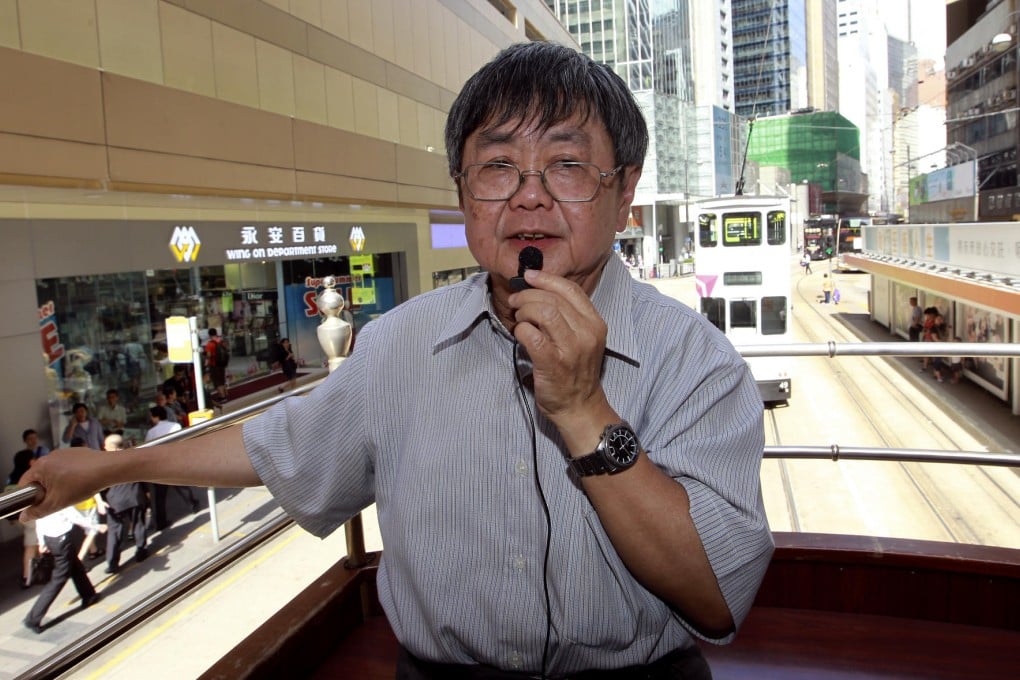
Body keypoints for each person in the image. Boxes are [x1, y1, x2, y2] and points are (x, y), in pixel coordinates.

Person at [21, 42, 772, 677]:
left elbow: (714, 596)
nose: (528, 199)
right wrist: (111, 468)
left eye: (568, 166)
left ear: (624, 191)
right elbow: (278, 442)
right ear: (463, 193)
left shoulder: (695, 361)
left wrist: (583, 408)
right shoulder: (398, 344)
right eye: (498, 167)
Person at [23, 503, 105, 634]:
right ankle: (33, 618)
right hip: (62, 540)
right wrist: (96, 526)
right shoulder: (60, 501)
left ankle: (89, 595)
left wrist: (42, 542)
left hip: (51, 539)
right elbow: (76, 517)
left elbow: (39, 522)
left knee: (76, 567)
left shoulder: (42, 502)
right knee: (58, 579)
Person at [144, 406, 198, 529]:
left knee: (159, 496)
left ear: (156, 417)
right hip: (174, 461)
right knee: (181, 485)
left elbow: (147, 449)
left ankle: (161, 521)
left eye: (151, 416)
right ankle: (193, 504)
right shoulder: (175, 426)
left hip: (159, 465)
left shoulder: (152, 432)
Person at [102, 434, 148, 573]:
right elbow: (143, 476)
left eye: (106, 446)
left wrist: (100, 501)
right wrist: (146, 492)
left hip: (115, 502)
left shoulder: (104, 463)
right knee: (138, 524)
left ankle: (112, 562)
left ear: (112, 448)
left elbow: (100, 485)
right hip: (135, 496)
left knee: (115, 532)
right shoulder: (132, 458)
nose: (103, 448)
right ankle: (141, 551)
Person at [6, 449, 39, 589]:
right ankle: (27, 577)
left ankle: (37, 569)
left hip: (20, 519)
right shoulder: (29, 478)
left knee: (36, 543)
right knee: (31, 546)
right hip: (32, 517)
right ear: (30, 461)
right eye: (34, 458)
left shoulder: (11, 479)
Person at [205, 329, 229, 402]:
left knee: (217, 382)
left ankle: (222, 397)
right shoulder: (221, 341)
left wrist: (206, 363)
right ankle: (225, 393)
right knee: (222, 380)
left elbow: (208, 355)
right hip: (222, 364)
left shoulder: (210, 344)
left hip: (214, 365)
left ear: (209, 335)